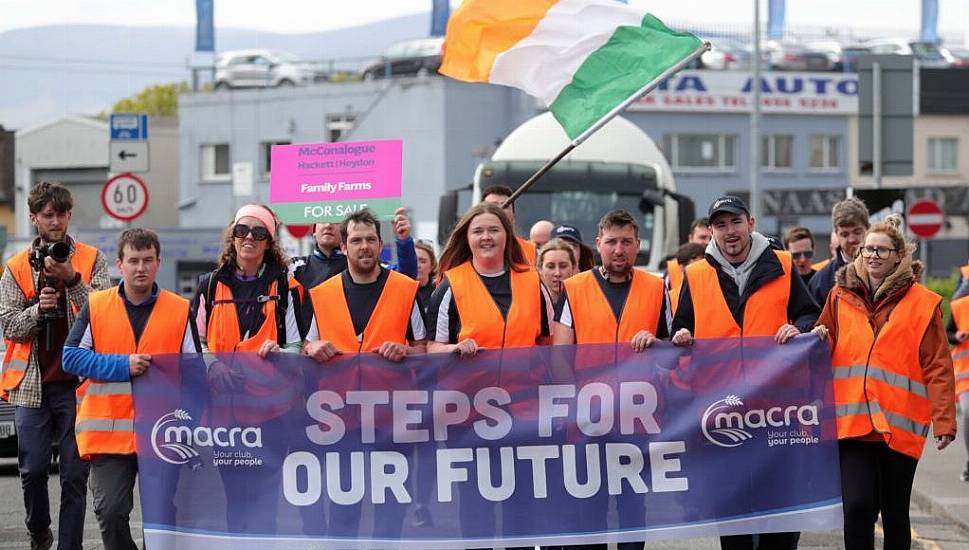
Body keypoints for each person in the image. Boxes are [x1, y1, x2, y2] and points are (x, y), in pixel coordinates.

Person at [671, 195, 819, 550]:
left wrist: (798, 328)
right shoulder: (696, 274)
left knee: (781, 509)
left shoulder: (783, 265)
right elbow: (681, 326)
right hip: (723, 413)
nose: (729, 232)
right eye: (720, 225)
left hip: (778, 410)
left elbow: (809, 314)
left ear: (751, 223)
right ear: (711, 232)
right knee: (733, 511)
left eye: (735, 222)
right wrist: (681, 335)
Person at [814, 215, 955, 550]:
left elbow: (937, 364)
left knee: (894, 512)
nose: (873, 255)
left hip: (899, 424)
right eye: (867, 249)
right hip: (853, 424)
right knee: (858, 507)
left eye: (882, 250)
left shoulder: (923, 303)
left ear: (898, 256)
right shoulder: (839, 295)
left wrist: (945, 420)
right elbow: (822, 346)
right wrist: (820, 336)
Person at [61, 229, 201, 550]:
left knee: (163, 519)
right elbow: (71, 358)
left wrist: (191, 424)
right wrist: (122, 366)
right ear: (120, 264)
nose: (141, 268)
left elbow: (195, 374)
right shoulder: (96, 306)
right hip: (109, 437)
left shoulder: (180, 310)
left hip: (161, 434)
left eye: (148, 260)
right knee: (109, 512)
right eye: (134, 261)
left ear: (158, 263)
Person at [426, 202, 553, 550]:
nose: (486, 237)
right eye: (478, 231)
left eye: (493, 230)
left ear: (506, 236)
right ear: (467, 238)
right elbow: (429, 348)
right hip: (471, 418)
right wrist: (453, 349)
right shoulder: (452, 285)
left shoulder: (532, 282)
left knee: (522, 508)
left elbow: (548, 342)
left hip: (525, 416)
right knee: (476, 509)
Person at [302, 209, 427, 539]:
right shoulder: (322, 293)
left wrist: (406, 352)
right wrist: (310, 349)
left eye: (371, 239)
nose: (364, 247)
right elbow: (305, 345)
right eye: (356, 240)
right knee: (343, 516)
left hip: (392, 421)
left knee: (389, 517)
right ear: (343, 247)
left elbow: (424, 349)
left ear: (381, 244)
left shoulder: (404, 289)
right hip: (340, 422)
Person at [0, 181, 110, 550]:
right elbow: (9, 325)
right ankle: (37, 529)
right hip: (32, 386)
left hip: (78, 386)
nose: (57, 221)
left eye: (62, 214)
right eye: (48, 215)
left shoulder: (91, 258)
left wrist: (71, 280)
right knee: (31, 472)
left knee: (74, 475)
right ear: (34, 218)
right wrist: (38, 309)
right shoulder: (15, 268)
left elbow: (106, 313)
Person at [191, 203, 303, 534]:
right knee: (236, 498)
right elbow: (195, 341)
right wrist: (212, 366)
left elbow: (297, 346)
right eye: (242, 231)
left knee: (266, 499)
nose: (249, 238)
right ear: (232, 237)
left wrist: (280, 352)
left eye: (258, 232)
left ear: (270, 242)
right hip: (226, 414)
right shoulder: (209, 286)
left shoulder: (285, 287)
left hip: (272, 415)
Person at [291, 206, 418, 289]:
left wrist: (403, 241)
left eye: (336, 221)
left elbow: (406, 278)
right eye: (323, 220)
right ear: (314, 230)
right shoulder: (296, 267)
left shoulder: (362, 264)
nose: (328, 225)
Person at [809, 197, 869, 307]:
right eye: (845, 234)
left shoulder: (887, 270)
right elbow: (813, 318)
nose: (852, 239)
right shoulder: (821, 280)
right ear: (836, 234)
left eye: (857, 232)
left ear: (868, 229)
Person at [481, 184, 537, 267]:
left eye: (506, 206)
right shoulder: (468, 247)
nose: (500, 210)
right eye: (493, 206)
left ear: (514, 215)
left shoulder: (530, 250)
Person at [665, 217, 712, 311]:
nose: (707, 242)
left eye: (711, 238)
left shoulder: (721, 266)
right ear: (690, 238)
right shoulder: (672, 268)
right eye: (702, 237)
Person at [947, 292, 969, 481]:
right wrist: (956, 336)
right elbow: (948, 333)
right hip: (966, 377)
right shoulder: (960, 306)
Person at [664, 242, 706, 331]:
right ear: (682, 267)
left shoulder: (713, 294)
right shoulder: (670, 297)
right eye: (695, 267)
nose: (699, 271)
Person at [538, 239, 578, 305]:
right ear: (540, 269)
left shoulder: (585, 302)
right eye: (550, 267)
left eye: (563, 266)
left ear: (573, 268)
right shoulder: (531, 304)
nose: (557, 273)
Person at [415, 240, 438, 311]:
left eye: (422, 261)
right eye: (414, 260)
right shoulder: (401, 289)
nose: (418, 265)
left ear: (432, 265)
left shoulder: (438, 290)